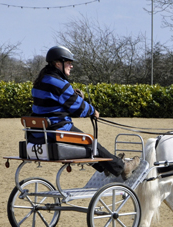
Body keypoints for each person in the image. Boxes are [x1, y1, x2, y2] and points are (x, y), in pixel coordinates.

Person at [30, 45, 140, 180]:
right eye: (69, 63)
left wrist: (75, 100)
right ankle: (122, 167)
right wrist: (93, 111)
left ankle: (105, 167)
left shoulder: (39, 81)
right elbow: (78, 108)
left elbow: (55, 105)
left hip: (41, 131)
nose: (71, 66)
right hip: (58, 129)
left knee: (86, 144)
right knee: (90, 141)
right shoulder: (58, 83)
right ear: (58, 63)